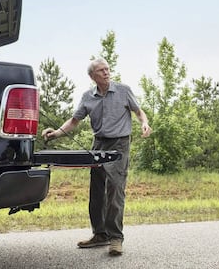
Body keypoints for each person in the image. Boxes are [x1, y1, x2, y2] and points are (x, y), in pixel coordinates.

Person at [42, 57, 152, 256]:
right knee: (97, 191)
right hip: (98, 144)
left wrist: (144, 123)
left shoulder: (123, 90)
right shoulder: (87, 97)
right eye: (101, 70)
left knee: (115, 190)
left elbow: (138, 111)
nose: (106, 72)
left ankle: (116, 238)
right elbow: (74, 121)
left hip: (119, 144)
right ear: (92, 76)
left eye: (107, 69)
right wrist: (56, 133)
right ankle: (100, 234)